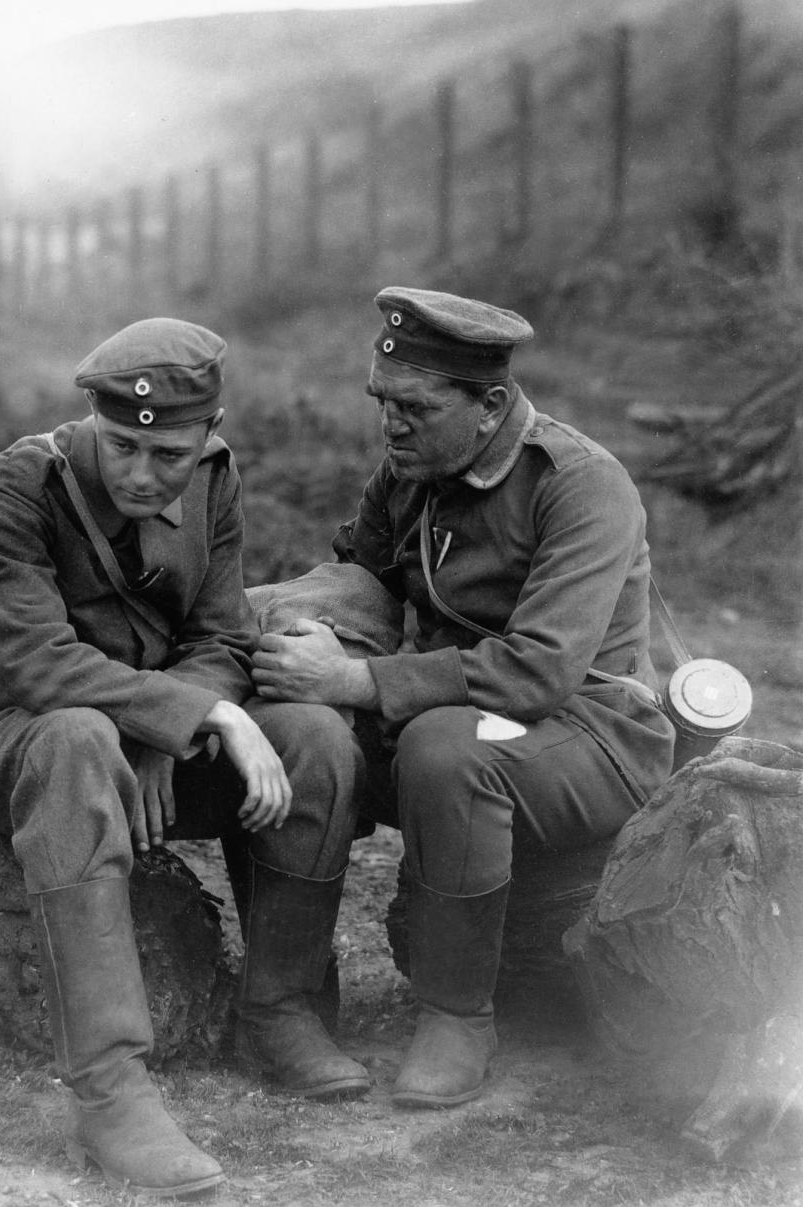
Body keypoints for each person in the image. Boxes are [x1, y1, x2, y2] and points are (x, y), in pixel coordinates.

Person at [0, 318, 369, 1199]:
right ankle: (111, 1091)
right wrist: (191, 715)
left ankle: (277, 1009)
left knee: (312, 736)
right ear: (92, 421)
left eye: (166, 453)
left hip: (137, 740)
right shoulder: (19, 485)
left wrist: (180, 731)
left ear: (206, 434)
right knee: (82, 738)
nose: (140, 472)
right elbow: (37, 663)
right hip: (18, 742)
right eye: (121, 445)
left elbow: (217, 633)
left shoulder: (215, 480)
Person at [250, 287, 676, 1110]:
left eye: (413, 407)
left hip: (589, 735)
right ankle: (285, 1001)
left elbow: (542, 671)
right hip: (452, 720)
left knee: (445, 747)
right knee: (308, 732)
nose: (391, 426)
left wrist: (357, 679)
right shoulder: (412, 474)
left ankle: (456, 1015)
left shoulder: (581, 485)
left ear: (489, 405)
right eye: (383, 403)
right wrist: (277, 624)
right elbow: (361, 584)